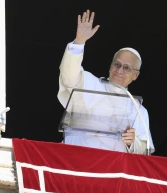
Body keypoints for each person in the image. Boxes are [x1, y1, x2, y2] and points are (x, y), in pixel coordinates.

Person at [57, 10, 155, 154]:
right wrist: (79, 42)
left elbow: (145, 151)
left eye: (127, 68)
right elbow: (68, 76)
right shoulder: (90, 84)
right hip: (78, 158)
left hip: (112, 169)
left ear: (136, 75)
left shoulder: (138, 110)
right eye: (117, 64)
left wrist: (132, 141)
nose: (119, 70)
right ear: (110, 66)